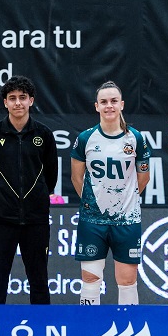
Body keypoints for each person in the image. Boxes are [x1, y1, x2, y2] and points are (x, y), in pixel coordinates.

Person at [0, 76, 58, 304]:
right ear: (5, 103)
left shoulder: (44, 134)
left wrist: (37, 199)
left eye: (23, 97)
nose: (18, 103)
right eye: (12, 98)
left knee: (39, 282)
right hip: (2, 220)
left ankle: (41, 326)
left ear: (31, 100)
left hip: (36, 220)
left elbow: (51, 175)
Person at [70, 81, 151, 305]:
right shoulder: (85, 138)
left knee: (127, 281)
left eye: (114, 101)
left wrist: (124, 200)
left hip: (127, 220)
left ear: (122, 104)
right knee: (90, 280)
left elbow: (143, 177)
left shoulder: (135, 138)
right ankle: (89, 324)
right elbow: (76, 178)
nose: (109, 106)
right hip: (92, 221)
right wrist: (94, 202)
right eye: (104, 102)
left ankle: (129, 324)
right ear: (96, 106)